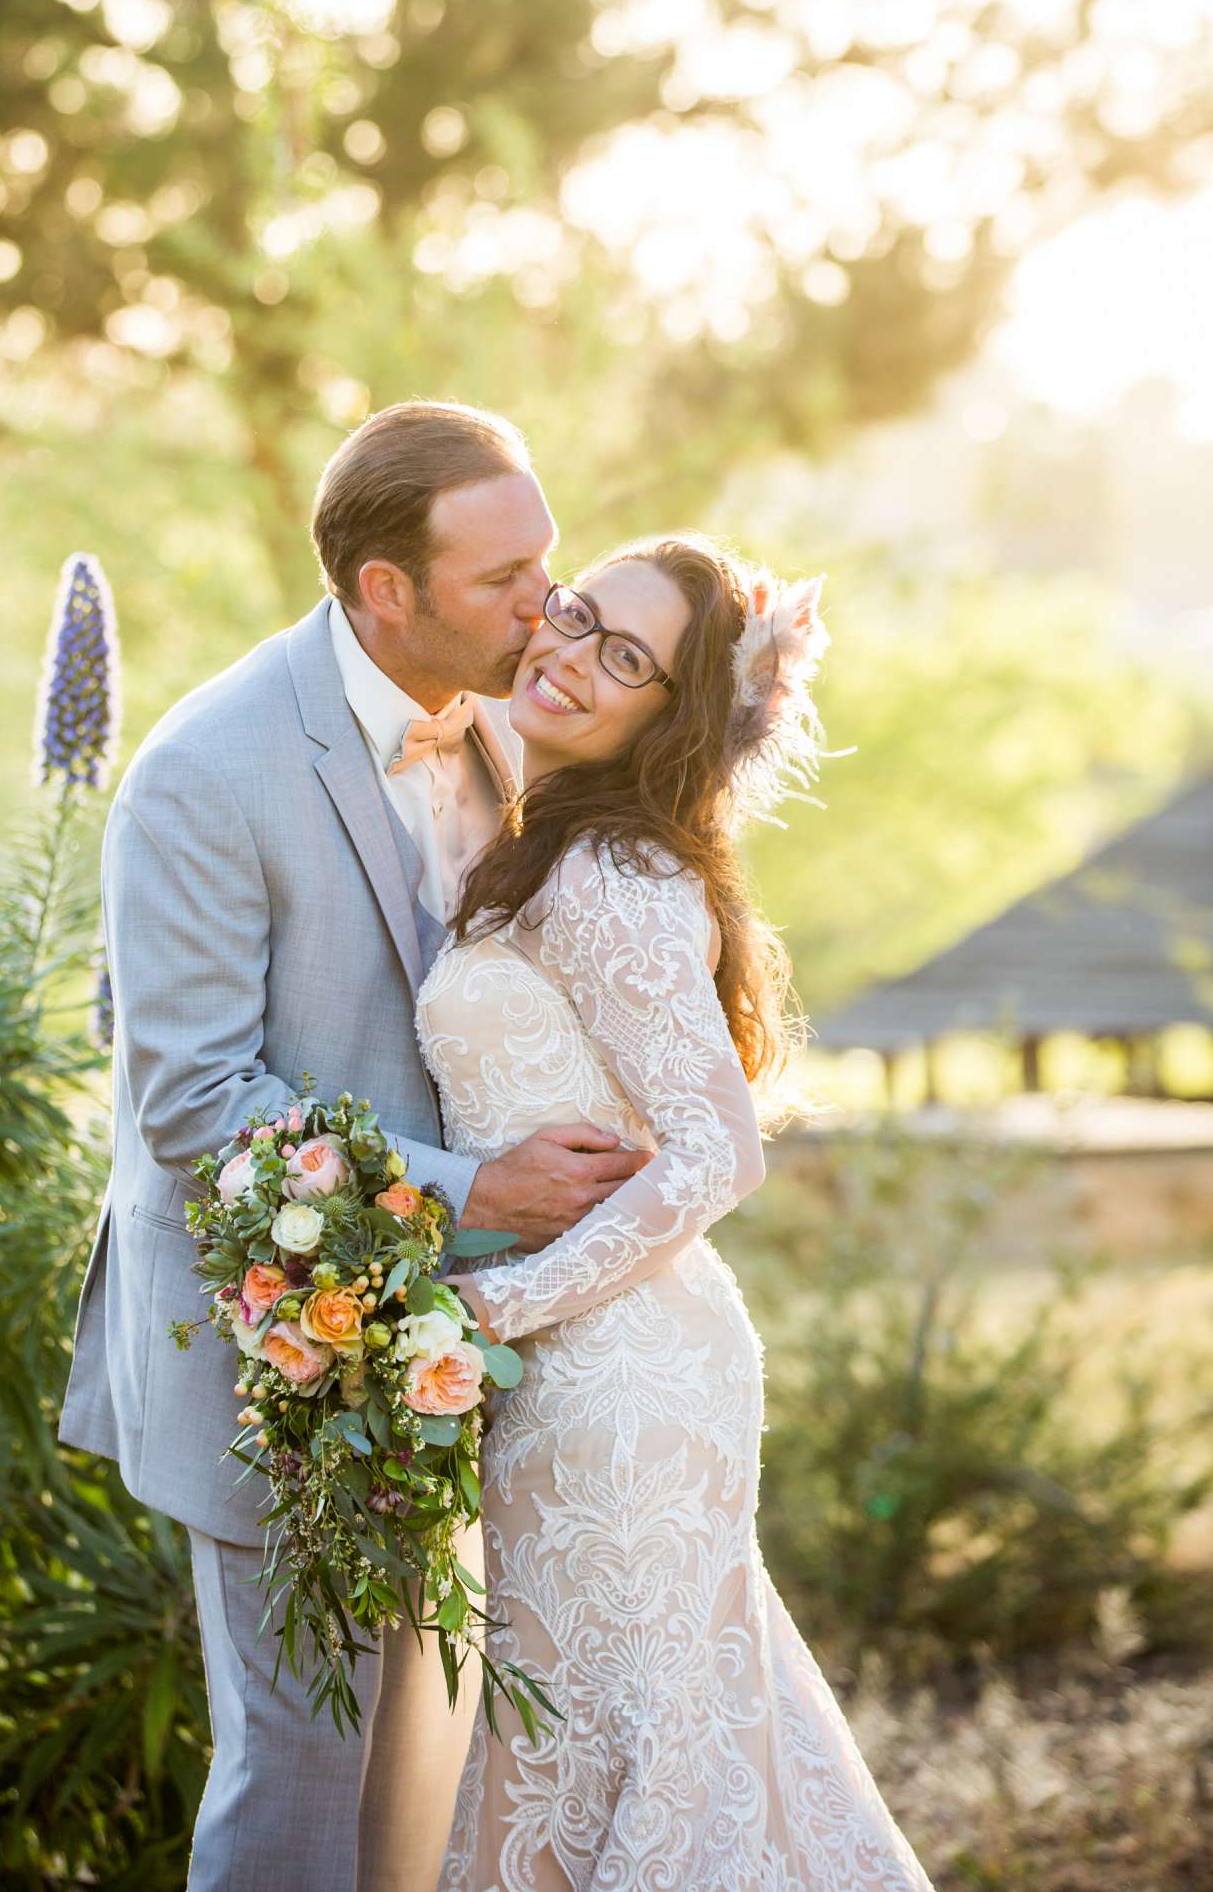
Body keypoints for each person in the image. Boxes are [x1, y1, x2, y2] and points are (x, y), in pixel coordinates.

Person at [58, 402, 649, 1892]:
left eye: (552, 563)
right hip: (284, 1360)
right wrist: (473, 1194)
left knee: (425, 1781)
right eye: (504, 578)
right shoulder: (208, 772)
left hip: (477, 1338)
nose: (549, 605)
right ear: (386, 592)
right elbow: (192, 1104)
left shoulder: (518, 717)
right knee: (304, 1783)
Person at [423, 536, 934, 1892]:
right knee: (602, 1749)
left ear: (669, 712)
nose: (573, 656)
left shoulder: (617, 878)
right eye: (578, 614)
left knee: (638, 1755)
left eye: (625, 659)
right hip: (575, 1371)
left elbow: (719, 1156)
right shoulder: (549, 840)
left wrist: (486, 1313)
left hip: (624, 1383)